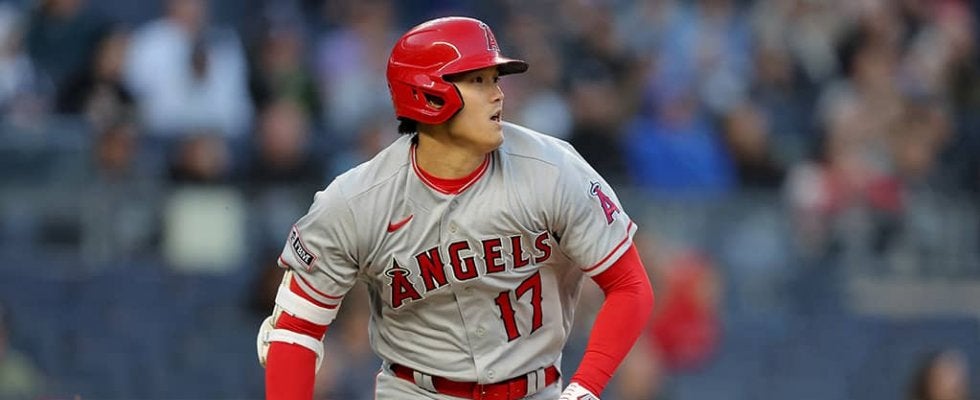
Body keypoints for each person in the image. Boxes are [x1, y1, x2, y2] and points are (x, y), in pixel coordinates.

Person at [256, 16, 655, 399]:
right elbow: (294, 330)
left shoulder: (552, 169)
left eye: (495, 79)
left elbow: (630, 286)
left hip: (534, 390)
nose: (498, 94)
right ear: (427, 93)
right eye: (478, 81)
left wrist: (586, 387)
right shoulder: (356, 201)